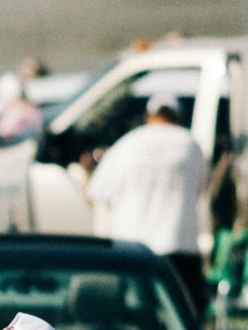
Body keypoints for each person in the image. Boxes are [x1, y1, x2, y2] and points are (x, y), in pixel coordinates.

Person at [87, 93, 209, 317]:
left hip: (134, 247)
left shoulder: (127, 144)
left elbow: (97, 192)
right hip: (179, 246)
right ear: (177, 116)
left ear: (148, 116)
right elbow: (201, 187)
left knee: (141, 314)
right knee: (184, 314)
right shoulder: (190, 144)